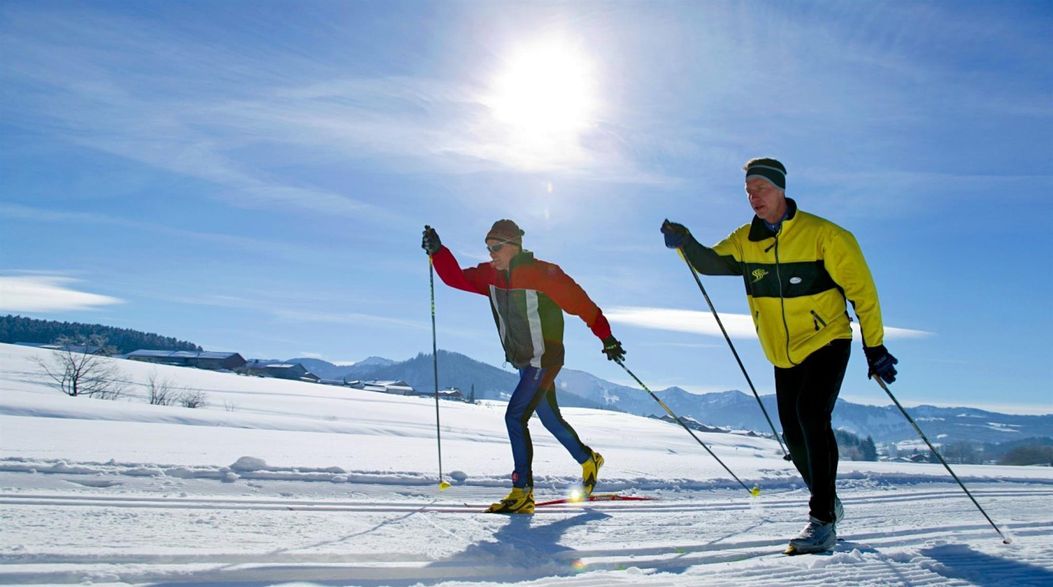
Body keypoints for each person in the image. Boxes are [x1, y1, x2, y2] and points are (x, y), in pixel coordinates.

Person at [661, 158, 898, 553]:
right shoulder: (745, 239)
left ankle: (821, 519)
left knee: (811, 414)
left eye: (762, 188)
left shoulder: (826, 236)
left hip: (827, 339)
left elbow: (863, 293)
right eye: (749, 190)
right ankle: (829, 499)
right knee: (794, 434)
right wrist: (685, 242)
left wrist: (874, 346)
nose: (755, 196)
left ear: (781, 189)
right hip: (782, 353)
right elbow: (710, 263)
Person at [422, 219, 625, 514]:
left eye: (497, 247)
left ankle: (522, 492)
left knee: (515, 417)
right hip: (524, 361)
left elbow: (582, 304)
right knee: (550, 419)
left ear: (515, 245)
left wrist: (606, 338)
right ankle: (589, 460)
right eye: (488, 247)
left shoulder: (542, 274)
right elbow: (453, 278)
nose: (491, 253)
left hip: (544, 358)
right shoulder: (488, 276)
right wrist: (438, 252)